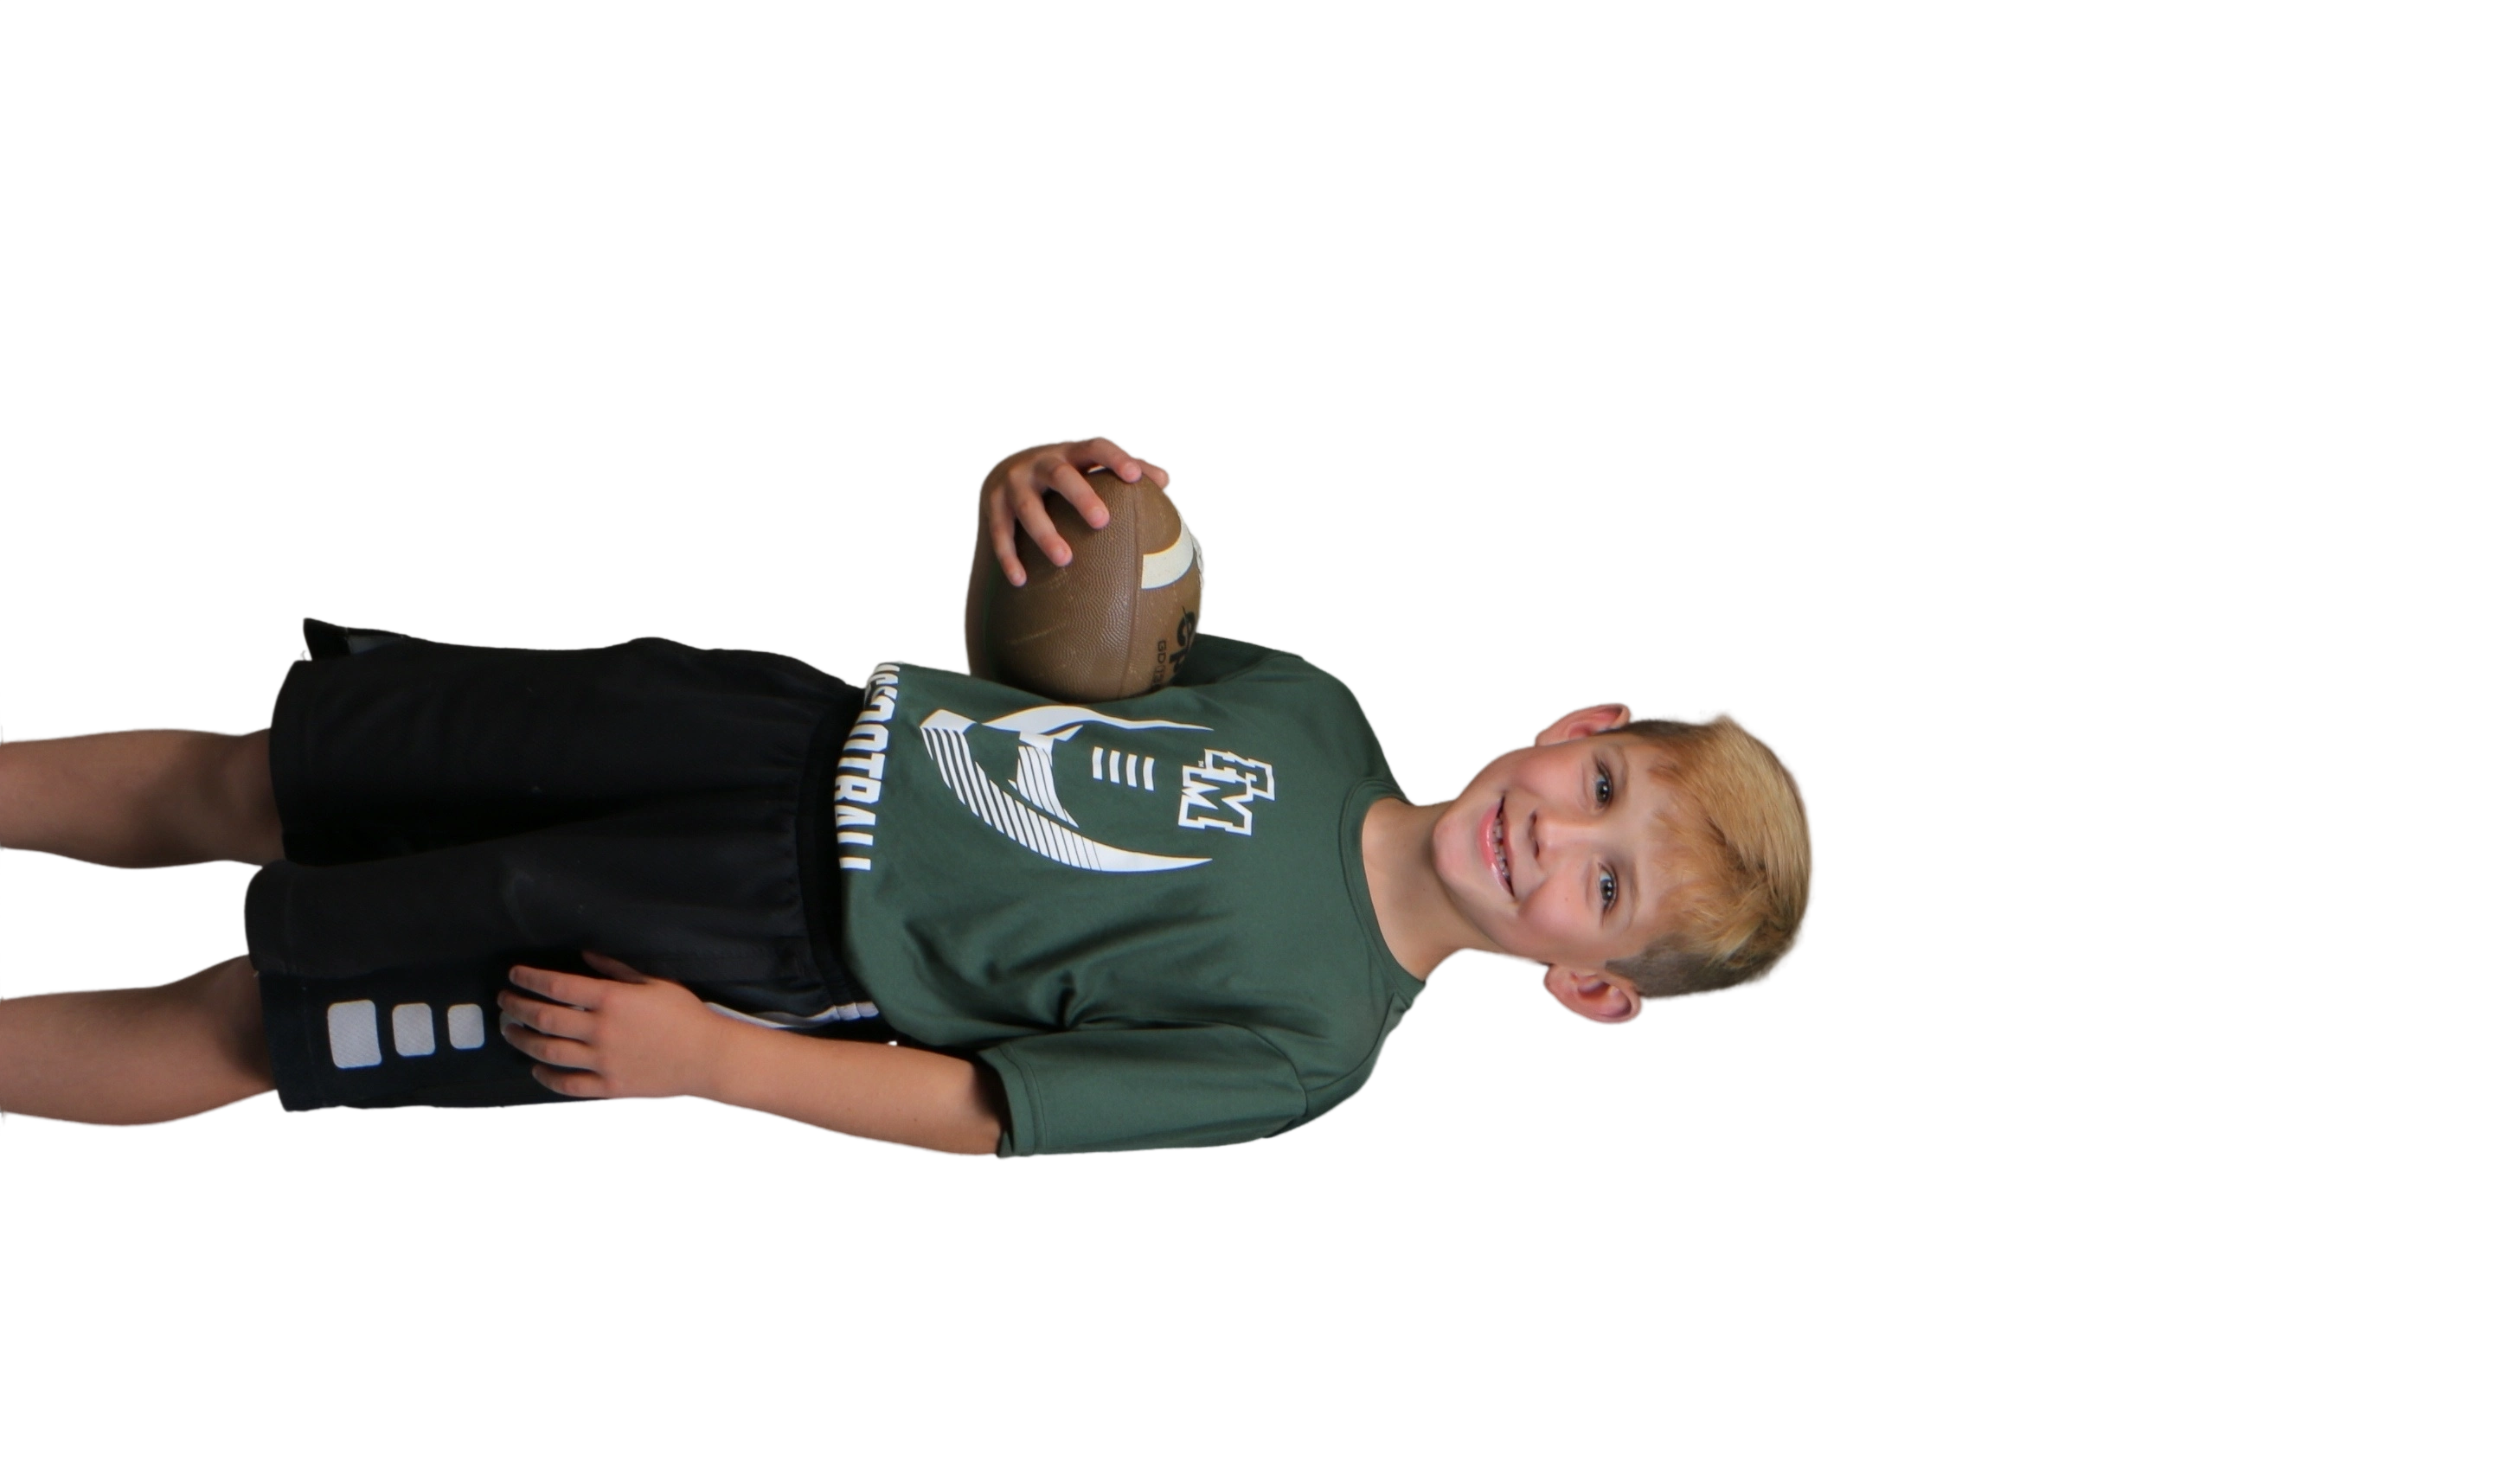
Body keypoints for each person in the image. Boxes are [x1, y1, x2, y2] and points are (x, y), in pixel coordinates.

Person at [0, 434, 1820, 1159]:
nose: (1555, 834)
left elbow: (983, 1107)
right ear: (1580, 722)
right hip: (767, 736)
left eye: (1603, 887)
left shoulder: (1313, 1042)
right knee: (273, 767)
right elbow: (1048, 678)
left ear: (1589, 988)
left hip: (748, 944)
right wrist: (1028, 508)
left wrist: (713, 1060)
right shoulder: (1315, 709)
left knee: (253, 1021)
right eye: (1600, 785)